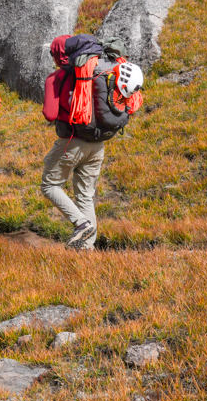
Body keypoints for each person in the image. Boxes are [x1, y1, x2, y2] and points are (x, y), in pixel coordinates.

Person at [40, 35, 140, 249]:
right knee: (85, 196)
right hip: (99, 143)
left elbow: (49, 114)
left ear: (59, 55)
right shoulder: (100, 69)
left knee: (50, 185)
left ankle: (81, 225)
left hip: (73, 141)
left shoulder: (56, 77)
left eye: (53, 53)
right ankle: (86, 249)